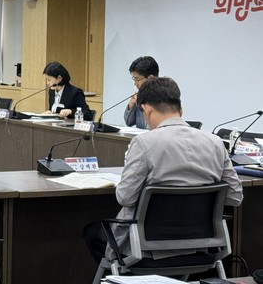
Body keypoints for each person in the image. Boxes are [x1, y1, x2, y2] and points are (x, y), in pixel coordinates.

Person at [83, 77, 243, 264]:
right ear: (180, 110)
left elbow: (125, 198)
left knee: (92, 233)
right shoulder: (215, 143)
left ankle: (125, 278)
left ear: (146, 109)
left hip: (146, 248)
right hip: (202, 246)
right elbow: (235, 197)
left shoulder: (144, 143)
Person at [124, 56, 159, 129]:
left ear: (150, 78)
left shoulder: (164, 97)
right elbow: (129, 122)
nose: (135, 84)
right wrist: (131, 104)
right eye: (134, 79)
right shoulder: (139, 97)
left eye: (137, 79)